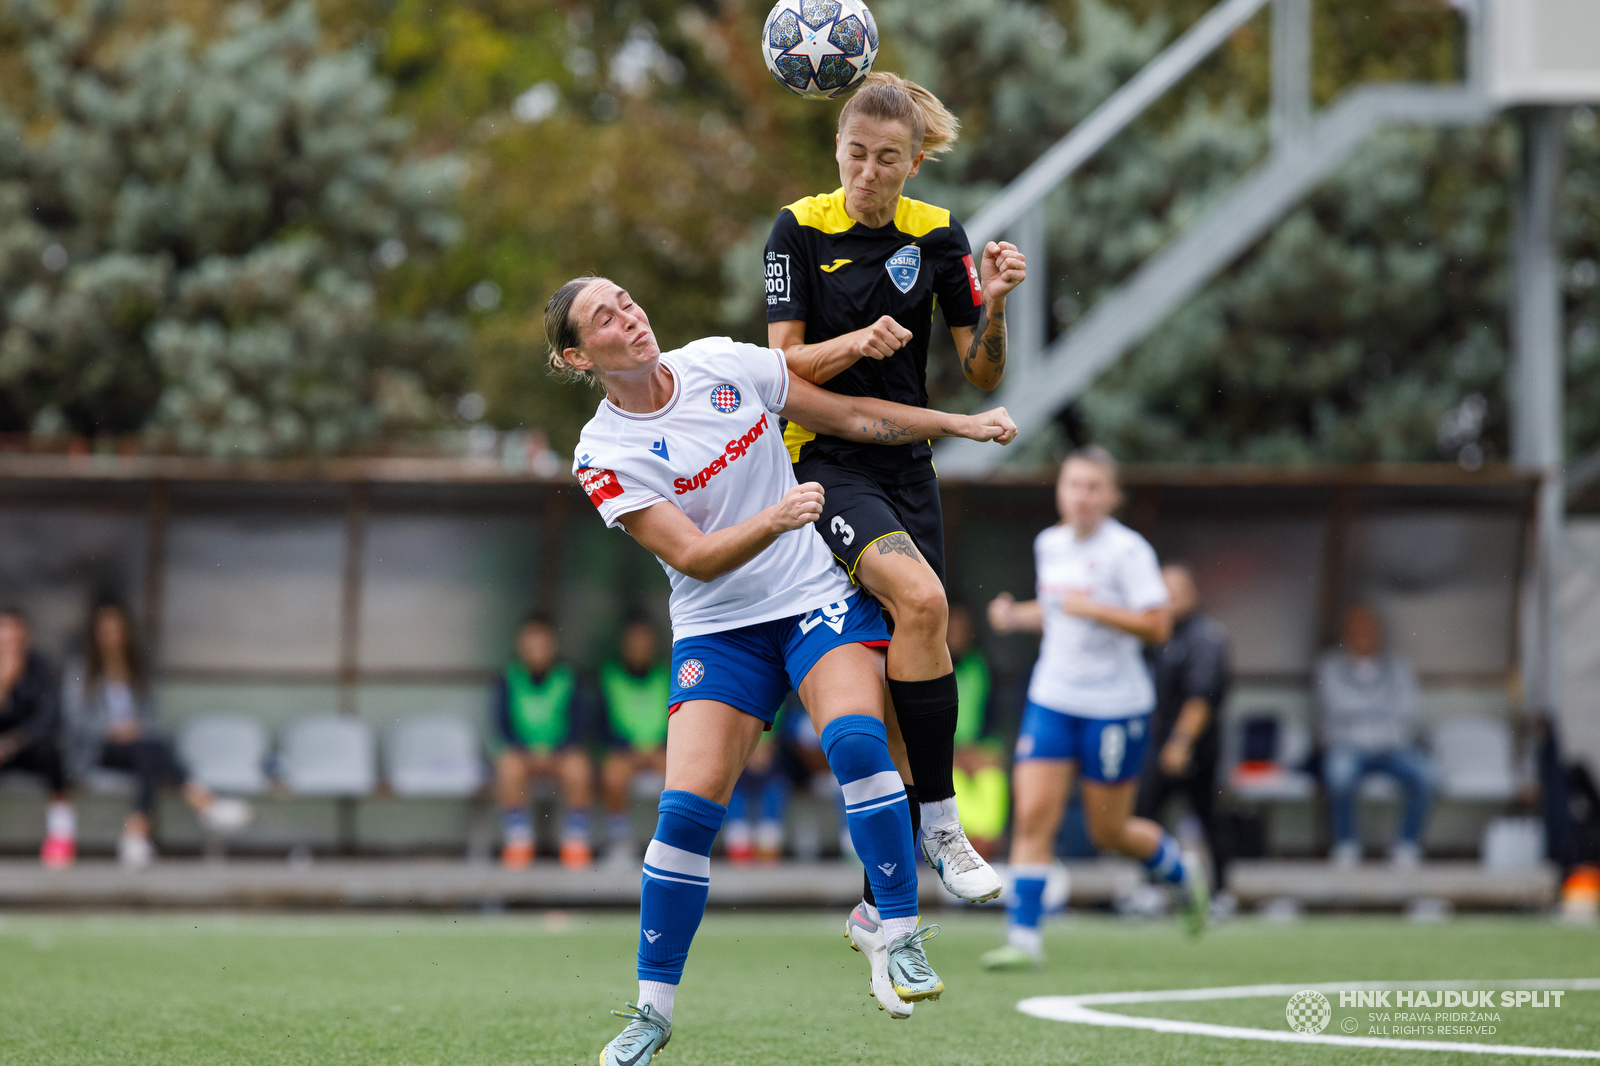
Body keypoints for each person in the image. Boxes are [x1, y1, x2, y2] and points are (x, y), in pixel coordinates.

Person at [542, 275, 1015, 1062]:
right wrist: (778, 514)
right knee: (685, 816)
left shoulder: (720, 364)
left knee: (860, 743)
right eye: (605, 318)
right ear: (576, 356)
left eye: (628, 300)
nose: (630, 316)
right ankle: (652, 1011)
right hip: (719, 630)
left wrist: (957, 422)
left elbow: (850, 414)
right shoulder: (605, 453)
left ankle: (897, 930)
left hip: (811, 601)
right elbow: (692, 556)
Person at [765, 71, 1027, 910]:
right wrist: (853, 340)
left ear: (914, 162)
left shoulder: (940, 235)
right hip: (826, 463)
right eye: (854, 155)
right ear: (835, 150)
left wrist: (999, 302)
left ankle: (888, 905)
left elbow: (982, 369)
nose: (867, 174)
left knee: (907, 680)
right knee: (923, 602)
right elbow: (779, 366)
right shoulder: (798, 230)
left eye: (886, 159)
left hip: (908, 465)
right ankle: (945, 828)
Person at [981, 447, 1204, 972]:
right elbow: (1060, 611)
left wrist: (1096, 608)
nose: (1080, 496)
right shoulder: (1049, 544)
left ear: (1111, 496)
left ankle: (1181, 870)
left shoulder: (1129, 552)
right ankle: (1024, 939)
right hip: (1053, 697)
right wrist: (1017, 616)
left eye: (1092, 487)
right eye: (1072, 485)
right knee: (1034, 815)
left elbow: (1158, 625)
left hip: (1115, 707)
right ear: (1060, 491)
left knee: (1111, 832)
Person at [62, 602, 253, 867]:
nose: (112, 638)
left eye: (117, 630)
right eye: (106, 631)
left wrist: (135, 728)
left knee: (147, 755)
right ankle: (205, 804)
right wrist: (112, 730)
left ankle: (136, 834)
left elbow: (150, 718)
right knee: (151, 751)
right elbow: (75, 719)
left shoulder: (137, 670)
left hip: (136, 746)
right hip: (97, 748)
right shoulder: (80, 671)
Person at [1135, 565, 1232, 894]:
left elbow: (1200, 697)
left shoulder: (1205, 636)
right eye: (1164, 590)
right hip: (1157, 742)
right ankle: (1150, 889)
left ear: (1194, 595)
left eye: (1177, 590)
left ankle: (1220, 894)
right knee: (1144, 814)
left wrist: (1181, 741)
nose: (1170, 597)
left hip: (1197, 746)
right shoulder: (1155, 636)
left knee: (1209, 817)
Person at [1316, 603, 1431, 868]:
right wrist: (1379, 712)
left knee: (1427, 776)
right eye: (1355, 628)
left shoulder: (1398, 666)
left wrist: (1363, 715)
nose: (1362, 634)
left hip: (1392, 748)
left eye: (1368, 628)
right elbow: (1335, 706)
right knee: (1338, 775)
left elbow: (1407, 710)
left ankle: (1407, 846)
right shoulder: (1330, 667)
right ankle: (1346, 845)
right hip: (1348, 747)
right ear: (1345, 634)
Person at [490, 612, 595, 870]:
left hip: (560, 754)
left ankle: (575, 842)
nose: (536, 650)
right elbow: (501, 724)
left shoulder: (568, 675)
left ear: (552, 646)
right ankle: (518, 841)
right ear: (520, 646)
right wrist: (526, 752)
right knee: (507, 766)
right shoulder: (508, 676)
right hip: (523, 754)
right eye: (530, 644)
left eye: (542, 643)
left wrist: (556, 751)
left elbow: (579, 722)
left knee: (579, 767)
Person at [0, 607, 75, 867]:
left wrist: (13, 743)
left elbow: (49, 717)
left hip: (25, 746)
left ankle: (61, 834)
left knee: (52, 755)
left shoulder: (39, 666)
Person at [598, 615, 670, 865]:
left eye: (645, 643)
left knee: (683, 778)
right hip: (625, 753)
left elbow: (680, 718)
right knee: (613, 775)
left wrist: (658, 747)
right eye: (634, 643)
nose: (640, 649)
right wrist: (630, 749)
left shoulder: (667, 675)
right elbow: (602, 723)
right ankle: (620, 841)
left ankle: (672, 843)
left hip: (661, 751)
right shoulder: (610, 676)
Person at [947, 604, 1007, 859]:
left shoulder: (982, 666)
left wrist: (982, 751)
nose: (956, 633)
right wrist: (955, 753)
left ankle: (986, 848)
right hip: (943, 754)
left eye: (962, 628)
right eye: (951, 627)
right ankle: (961, 851)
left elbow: (993, 720)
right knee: (952, 783)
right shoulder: (928, 666)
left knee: (992, 779)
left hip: (978, 750)